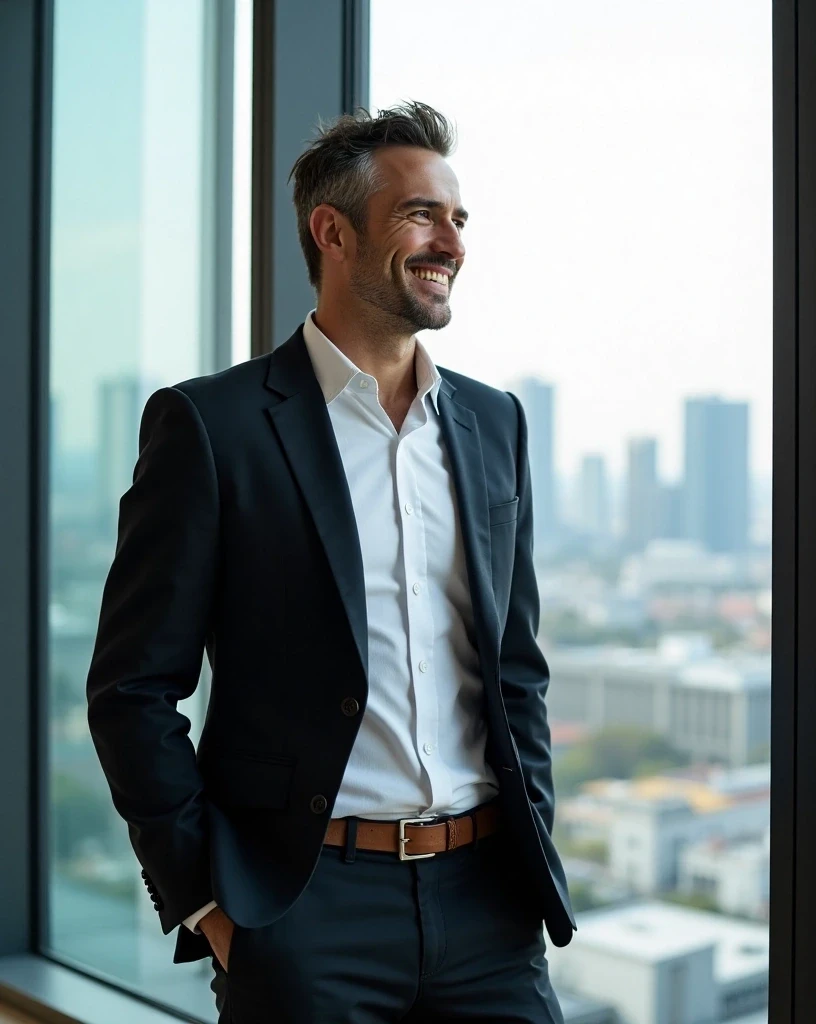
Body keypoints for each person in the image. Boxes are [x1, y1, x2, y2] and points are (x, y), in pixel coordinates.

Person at [86, 100, 574, 1023]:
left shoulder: (493, 423)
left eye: (459, 219)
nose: (453, 242)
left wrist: (530, 838)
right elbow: (133, 692)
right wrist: (211, 905)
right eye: (421, 214)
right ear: (332, 231)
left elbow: (517, 669)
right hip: (306, 912)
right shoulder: (213, 426)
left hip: (488, 910)